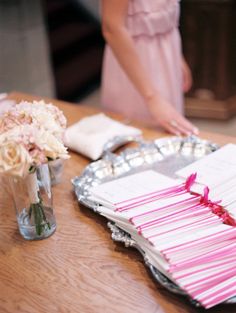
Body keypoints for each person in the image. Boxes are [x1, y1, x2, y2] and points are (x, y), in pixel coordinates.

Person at [100, 0, 199, 136]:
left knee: (169, 131)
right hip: (135, 66)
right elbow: (112, 27)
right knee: (138, 138)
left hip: (167, 55)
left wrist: (177, 57)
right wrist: (151, 97)